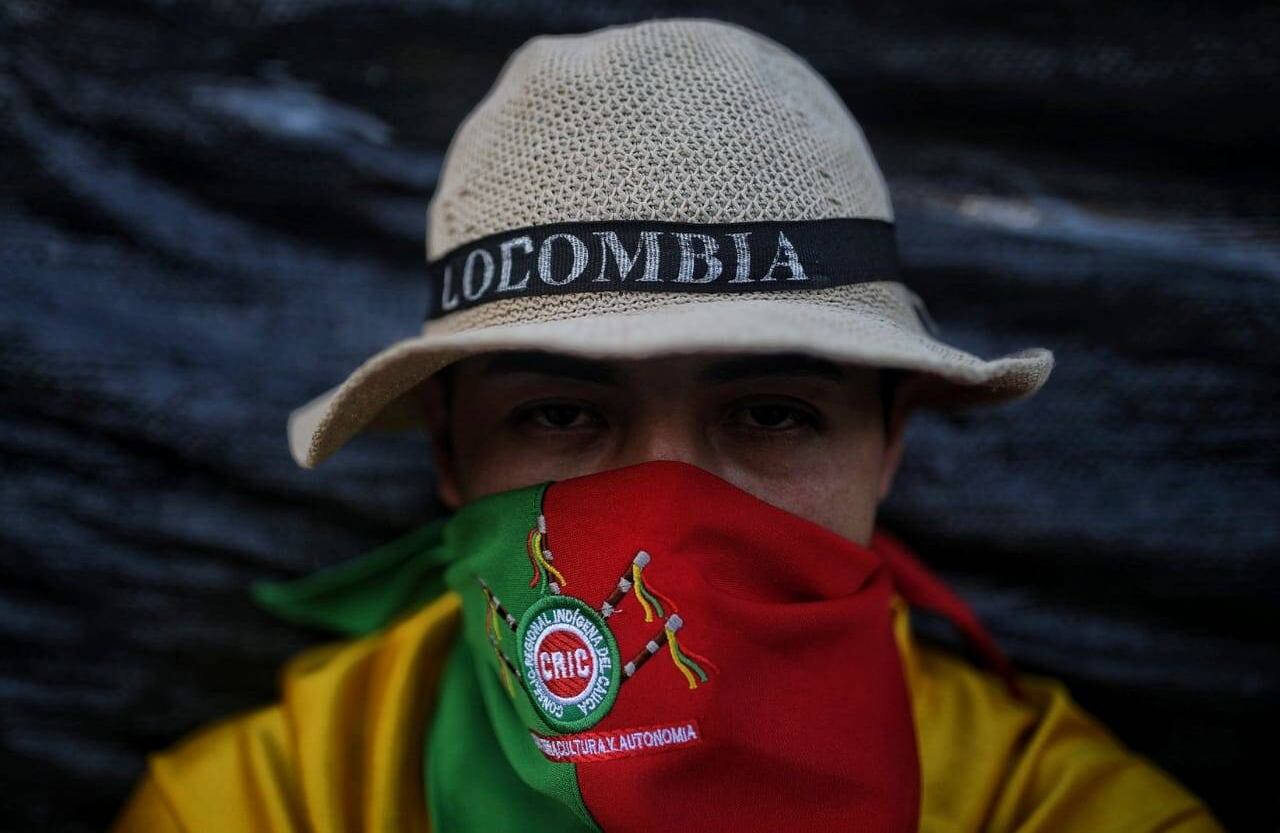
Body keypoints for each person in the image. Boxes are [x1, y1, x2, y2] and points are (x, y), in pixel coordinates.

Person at [111, 17, 1223, 832]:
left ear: (889, 447)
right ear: (450, 453)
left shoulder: (1040, 806)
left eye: (773, 413)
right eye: (558, 412)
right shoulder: (267, 803)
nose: (666, 511)